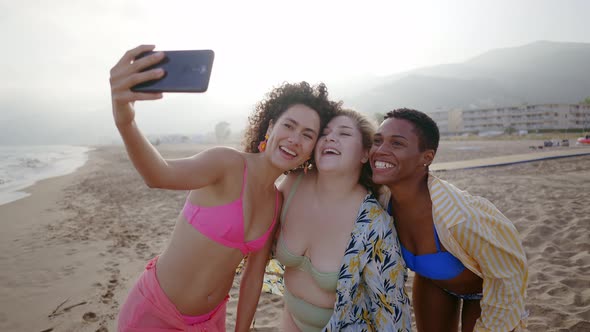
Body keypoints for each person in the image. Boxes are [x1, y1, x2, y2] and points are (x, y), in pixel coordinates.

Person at [110, 45, 338, 331]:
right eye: (289, 126)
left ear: (310, 152)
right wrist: (126, 120)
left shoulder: (276, 201)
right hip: (154, 314)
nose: (295, 139)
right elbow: (159, 175)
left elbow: (253, 278)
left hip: (210, 322)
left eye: (308, 135)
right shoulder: (227, 163)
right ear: (269, 128)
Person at [370, 108, 528, 332]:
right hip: (433, 283)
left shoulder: (459, 217)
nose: (380, 150)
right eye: (377, 141)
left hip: (487, 291)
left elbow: (509, 277)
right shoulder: (381, 203)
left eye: (397, 143)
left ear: (426, 157)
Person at [276, 109, 411, 331]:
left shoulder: (374, 223)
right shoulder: (292, 184)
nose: (330, 137)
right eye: (325, 133)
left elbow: (390, 309)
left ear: (365, 154)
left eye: (345, 134)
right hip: (290, 320)